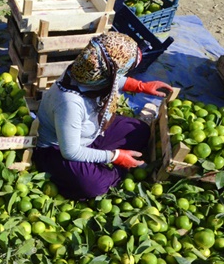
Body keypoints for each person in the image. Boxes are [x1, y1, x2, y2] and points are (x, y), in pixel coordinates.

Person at [33, 32, 172, 200]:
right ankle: (111, 173)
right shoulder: (70, 103)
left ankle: (100, 160)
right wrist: (116, 157)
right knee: (92, 185)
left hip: (91, 133)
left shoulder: (88, 71)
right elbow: (70, 151)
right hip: (57, 150)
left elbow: (115, 79)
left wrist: (142, 86)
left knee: (140, 130)